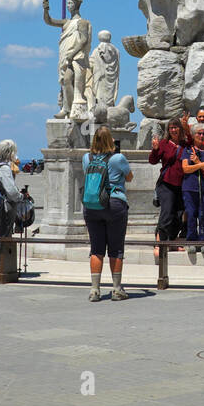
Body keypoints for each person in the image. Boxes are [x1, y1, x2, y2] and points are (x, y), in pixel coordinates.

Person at [82, 125, 132, 302]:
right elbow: (129, 177)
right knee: (116, 248)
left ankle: (94, 290)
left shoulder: (87, 158)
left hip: (92, 206)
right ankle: (117, 289)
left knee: (96, 249)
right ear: (111, 140)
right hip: (114, 204)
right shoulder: (118, 158)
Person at [149, 119, 186, 261]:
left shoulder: (184, 144)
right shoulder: (164, 144)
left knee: (178, 214)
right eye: (171, 128)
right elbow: (152, 160)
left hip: (181, 184)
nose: (173, 130)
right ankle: (159, 243)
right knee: (166, 212)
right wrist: (156, 148)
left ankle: (172, 241)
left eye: (176, 127)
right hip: (166, 183)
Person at [180, 120, 204, 256]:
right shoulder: (188, 150)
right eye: (199, 133)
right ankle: (191, 242)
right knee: (191, 214)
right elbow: (185, 168)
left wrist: (198, 162)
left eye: (203, 134)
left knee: (203, 214)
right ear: (193, 135)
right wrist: (201, 165)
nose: (201, 136)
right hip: (189, 188)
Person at [0, 139, 23, 280]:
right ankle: (0, 268)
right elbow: (12, 192)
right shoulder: (3, 168)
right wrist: (21, 196)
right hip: (6, 207)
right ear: (10, 152)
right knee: (4, 235)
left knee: (2, 234)